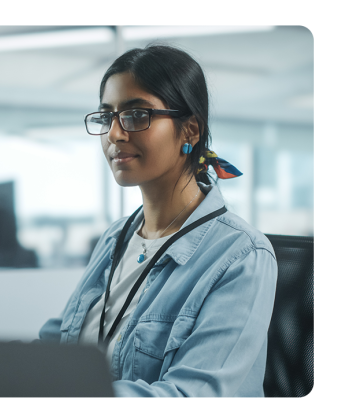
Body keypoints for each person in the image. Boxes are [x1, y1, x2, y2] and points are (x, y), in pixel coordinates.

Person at [37, 44, 278, 398]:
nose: (115, 134)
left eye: (136, 115)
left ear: (190, 131)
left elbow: (193, 393)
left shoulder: (243, 256)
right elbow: (55, 345)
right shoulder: (116, 237)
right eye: (107, 117)